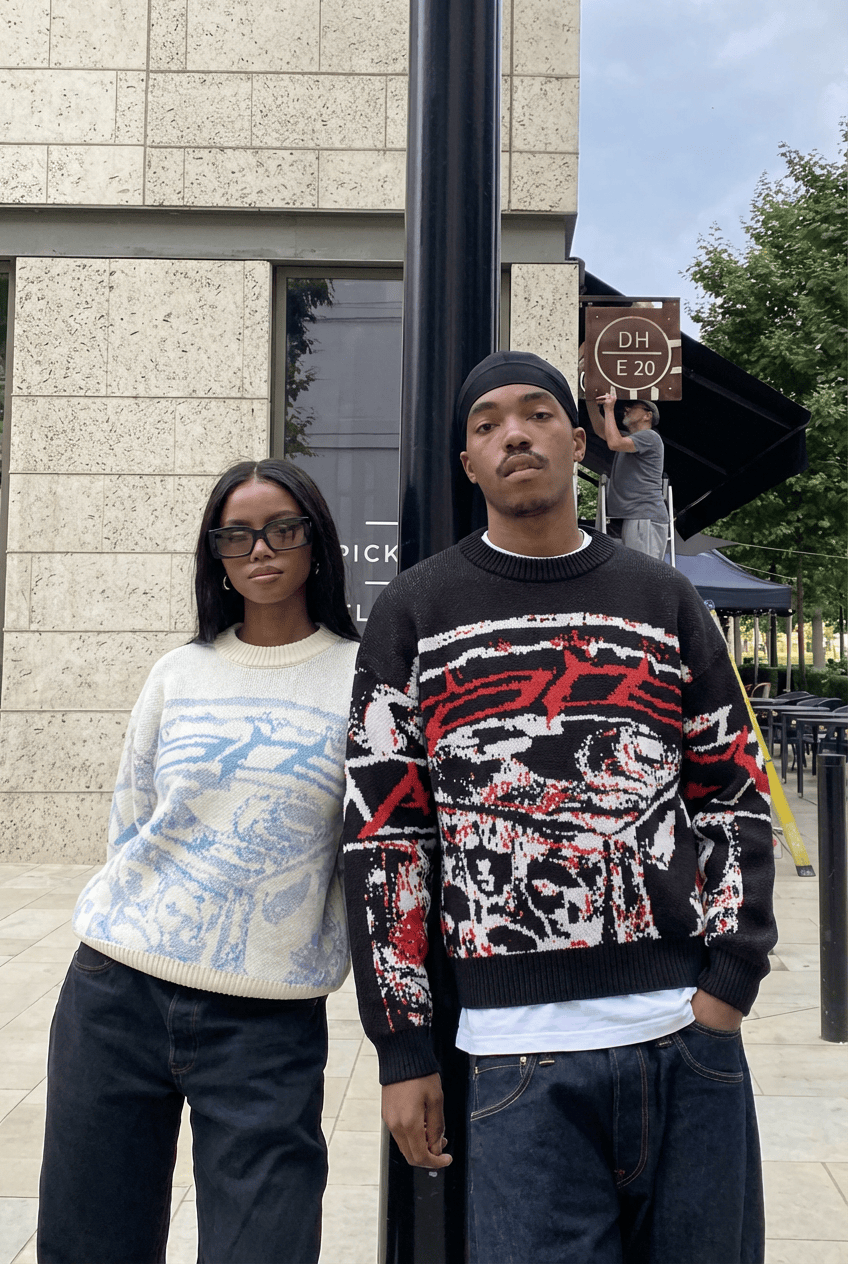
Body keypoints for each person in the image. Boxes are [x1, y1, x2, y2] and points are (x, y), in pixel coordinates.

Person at [342, 351, 775, 1264]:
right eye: (487, 423)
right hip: (514, 1059)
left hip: (685, 1038)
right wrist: (403, 1046)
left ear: (578, 443)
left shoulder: (664, 597)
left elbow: (732, 789)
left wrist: (730, 980)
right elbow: (386, 840)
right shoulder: (415, 609)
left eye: (537, 413)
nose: (514, 434)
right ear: (468, 462)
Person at [38, 459, 360, 1264]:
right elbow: (131, 820)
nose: (261, 549)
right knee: (89, 1246)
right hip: (116, 994)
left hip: (267, 1019)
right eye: (236, 536)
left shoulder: (362, 680)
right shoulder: (178, 674)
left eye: (282, 528)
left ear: (316, 542)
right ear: (215, 556)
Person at [587, 386, 669, 559]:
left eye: (633, 406)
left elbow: (614, 443)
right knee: (636, 571)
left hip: (644, 516)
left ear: (647, 415)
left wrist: (609, 409)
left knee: (642, 572)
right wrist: (591, 403)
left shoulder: (650, 437)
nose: (626, 408)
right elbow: (603, 431)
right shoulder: (631, 440)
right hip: (637, 517)